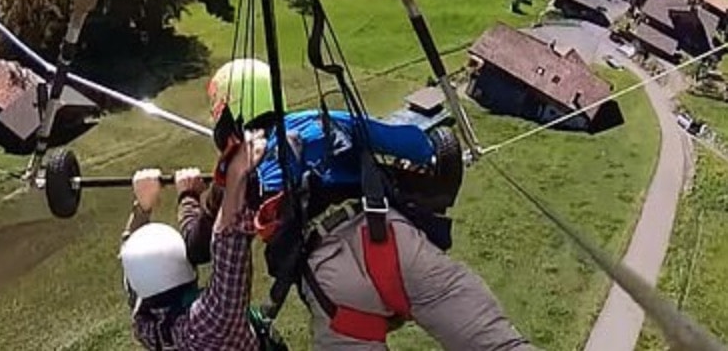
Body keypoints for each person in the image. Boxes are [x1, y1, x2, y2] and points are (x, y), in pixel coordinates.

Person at [196, 58, 538, 350]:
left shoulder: (238, 176)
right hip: (387, 239)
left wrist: (191, 194)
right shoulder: (317, 121)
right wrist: (431, 146)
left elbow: (201, 247)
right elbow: (413, 145)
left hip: (331, 283)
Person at [119, 131, 266, 351]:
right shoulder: (212, 322)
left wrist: (142, 207)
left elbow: (134, 263)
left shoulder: (148, 330)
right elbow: (229, 244)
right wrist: (236, 173)